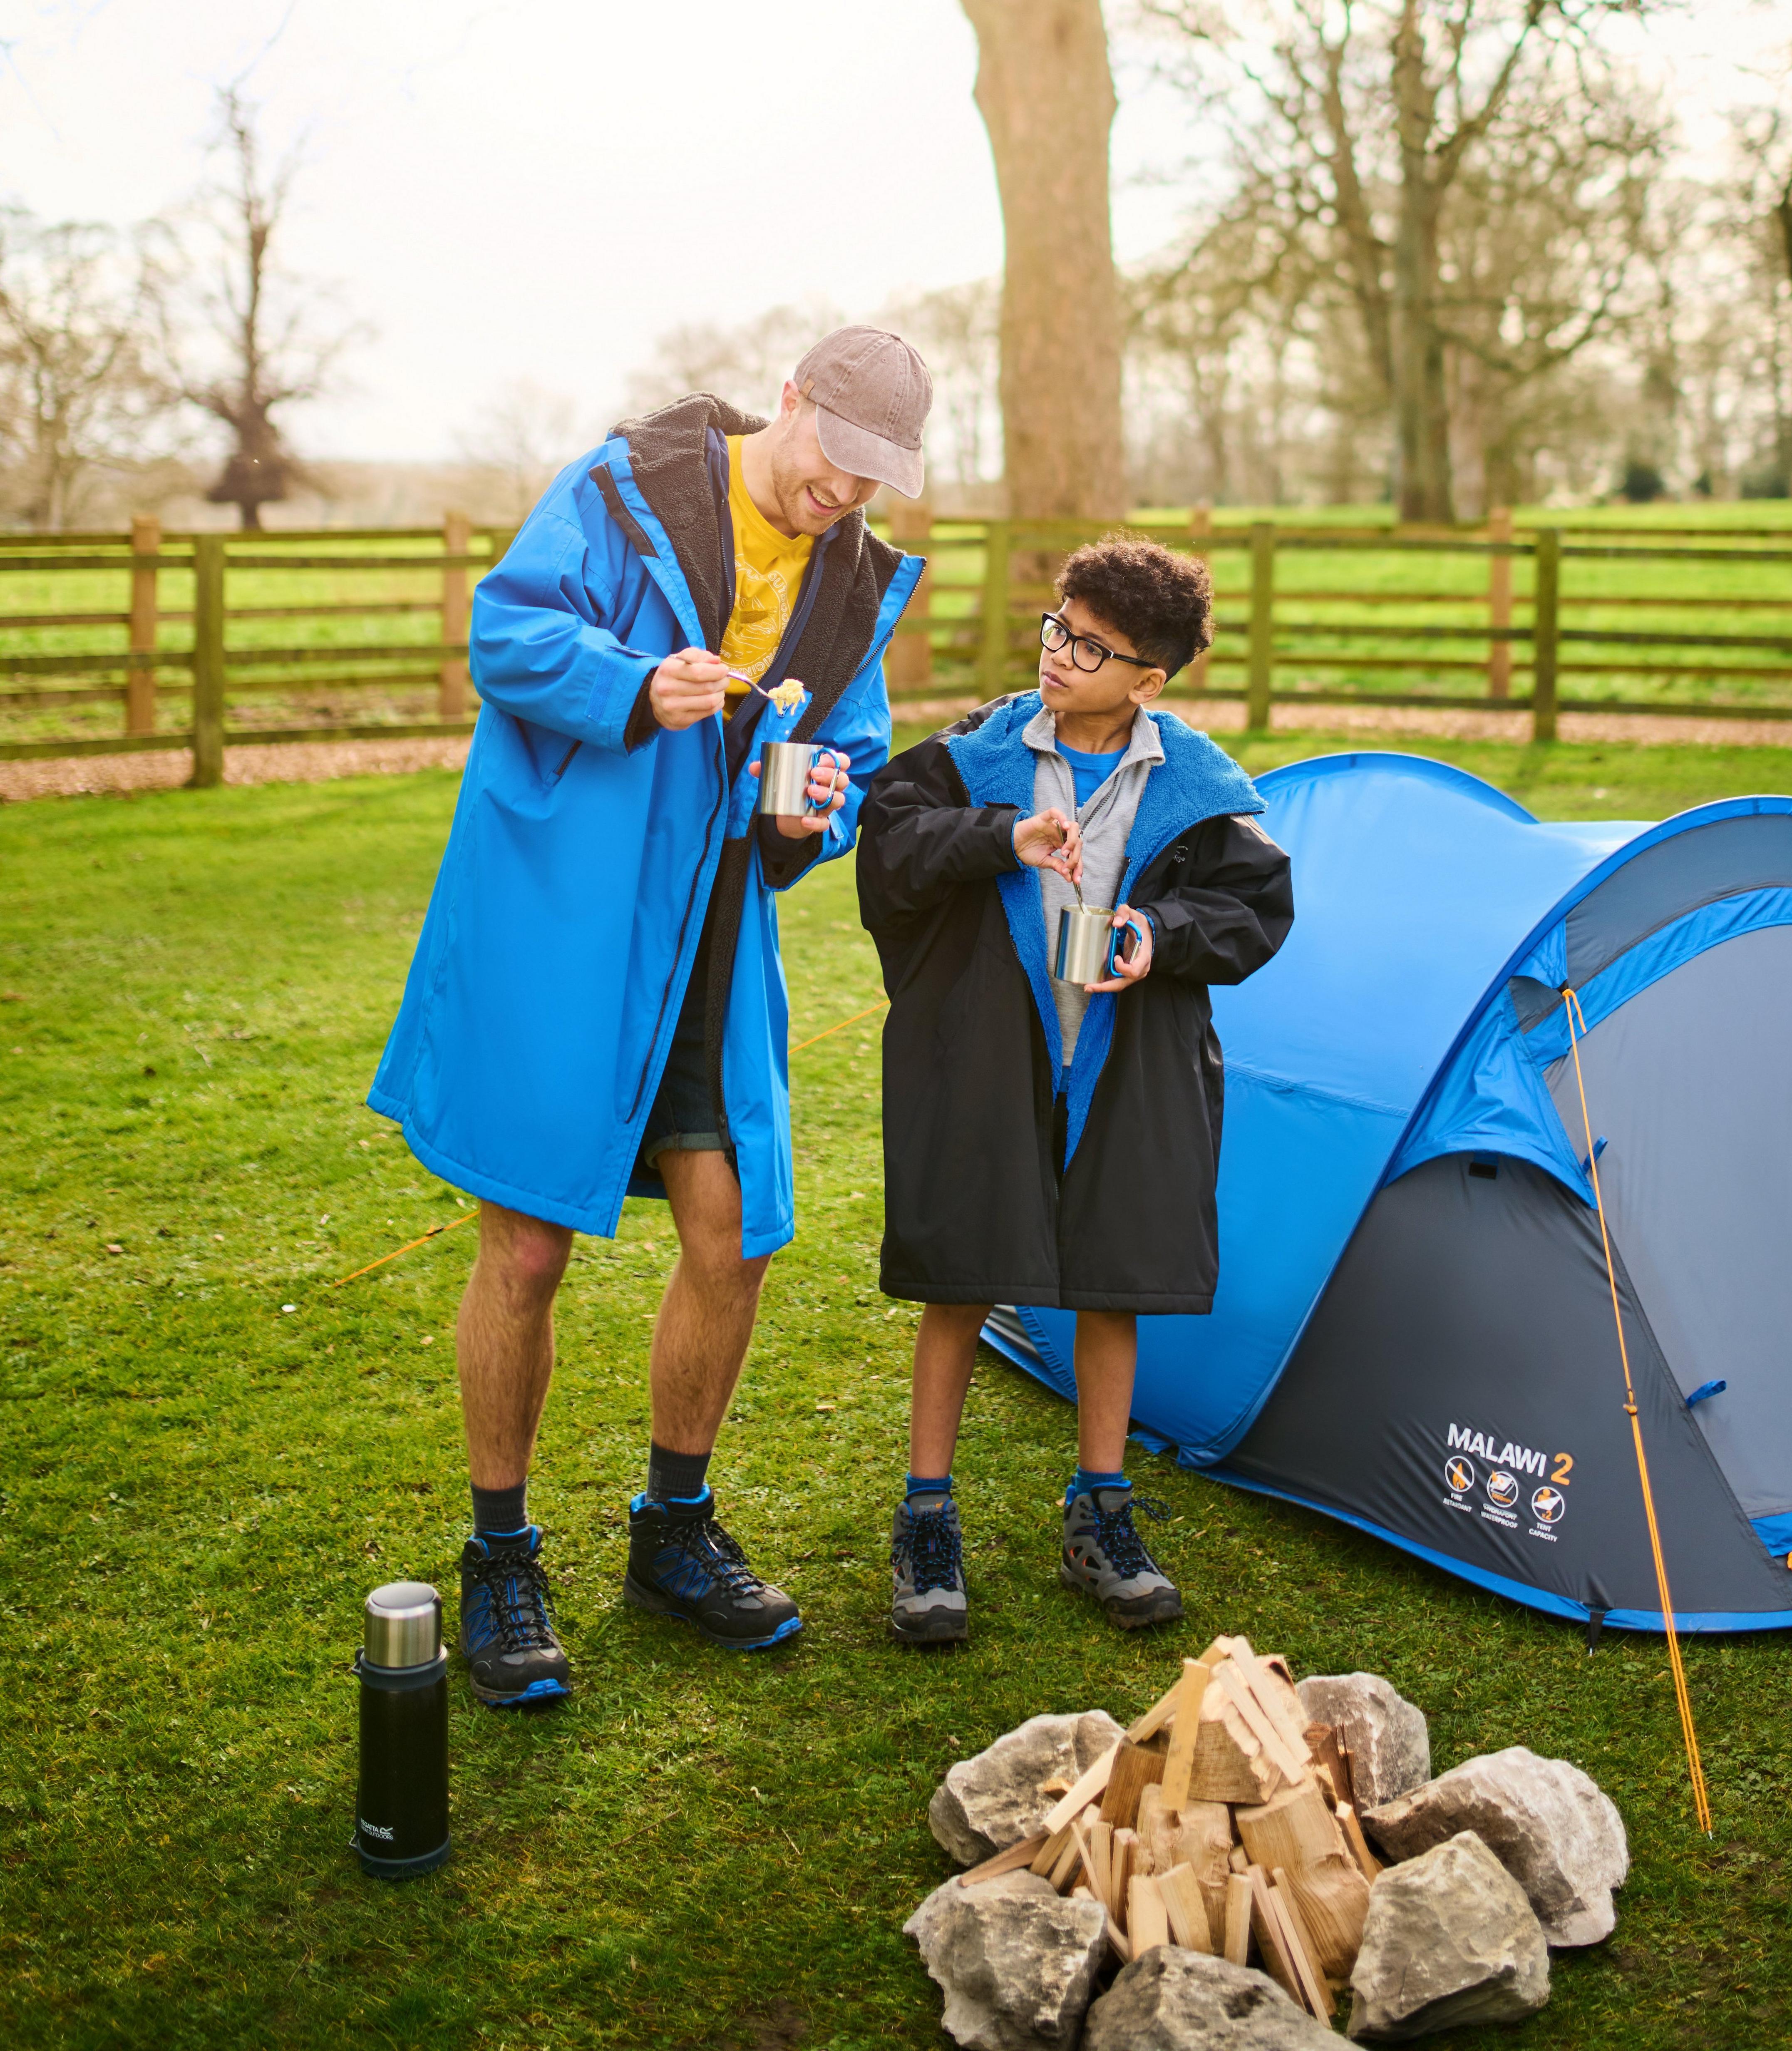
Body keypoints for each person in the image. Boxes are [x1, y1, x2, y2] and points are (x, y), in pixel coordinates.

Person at [368, 326, 931, 1708]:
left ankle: (672, 1530)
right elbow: (508, 631)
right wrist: (632, 687)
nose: (841, 497)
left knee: (733, 1233)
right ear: (789, 402)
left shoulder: (853, 579)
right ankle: (501, 1552)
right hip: (567, 917)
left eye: (873, 481)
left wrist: (819, 802)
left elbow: (850, 740)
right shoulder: (625, 487)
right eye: (833, 462)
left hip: (720, 931)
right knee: (526, 1246)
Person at [857, 534, 1293, 1643]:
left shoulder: (1198, 788)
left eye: (1092, 649)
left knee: (1113, 1280)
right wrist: (1000, 838)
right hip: (986, 1055)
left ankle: (1101, 1509)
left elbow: (1253, 914)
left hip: (1126, 1062)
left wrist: (1162, 934)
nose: (1058, 654)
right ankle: (926, 1519)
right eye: (1059, 626)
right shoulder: (976, 754)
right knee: (962, 1276)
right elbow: (891, 846)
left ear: (1149, 679)